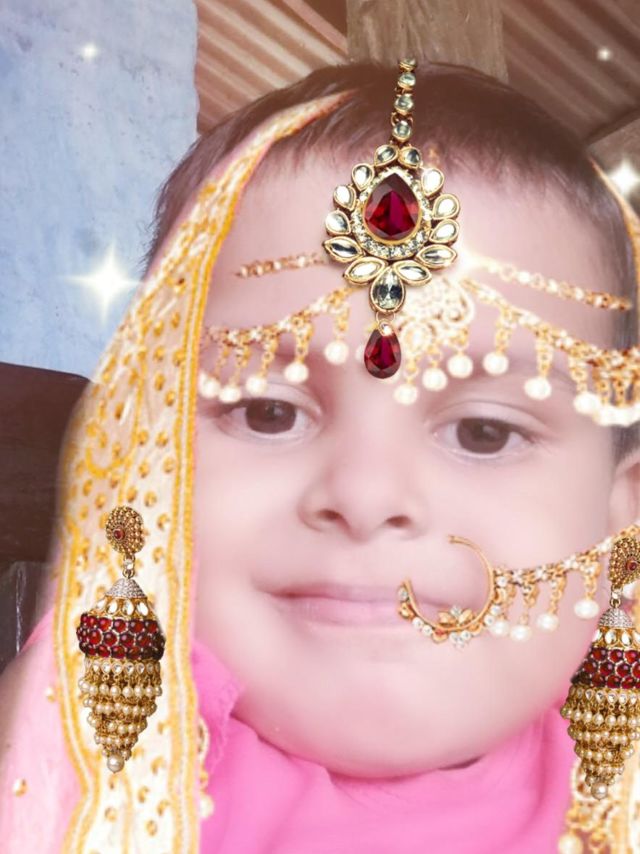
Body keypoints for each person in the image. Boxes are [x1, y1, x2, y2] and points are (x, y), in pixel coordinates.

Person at [1, 59, 639, 853]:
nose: (366, 494)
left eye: (485, 432)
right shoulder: (91, 749)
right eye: (269, 414)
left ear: (621, 518)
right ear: (147, 465)